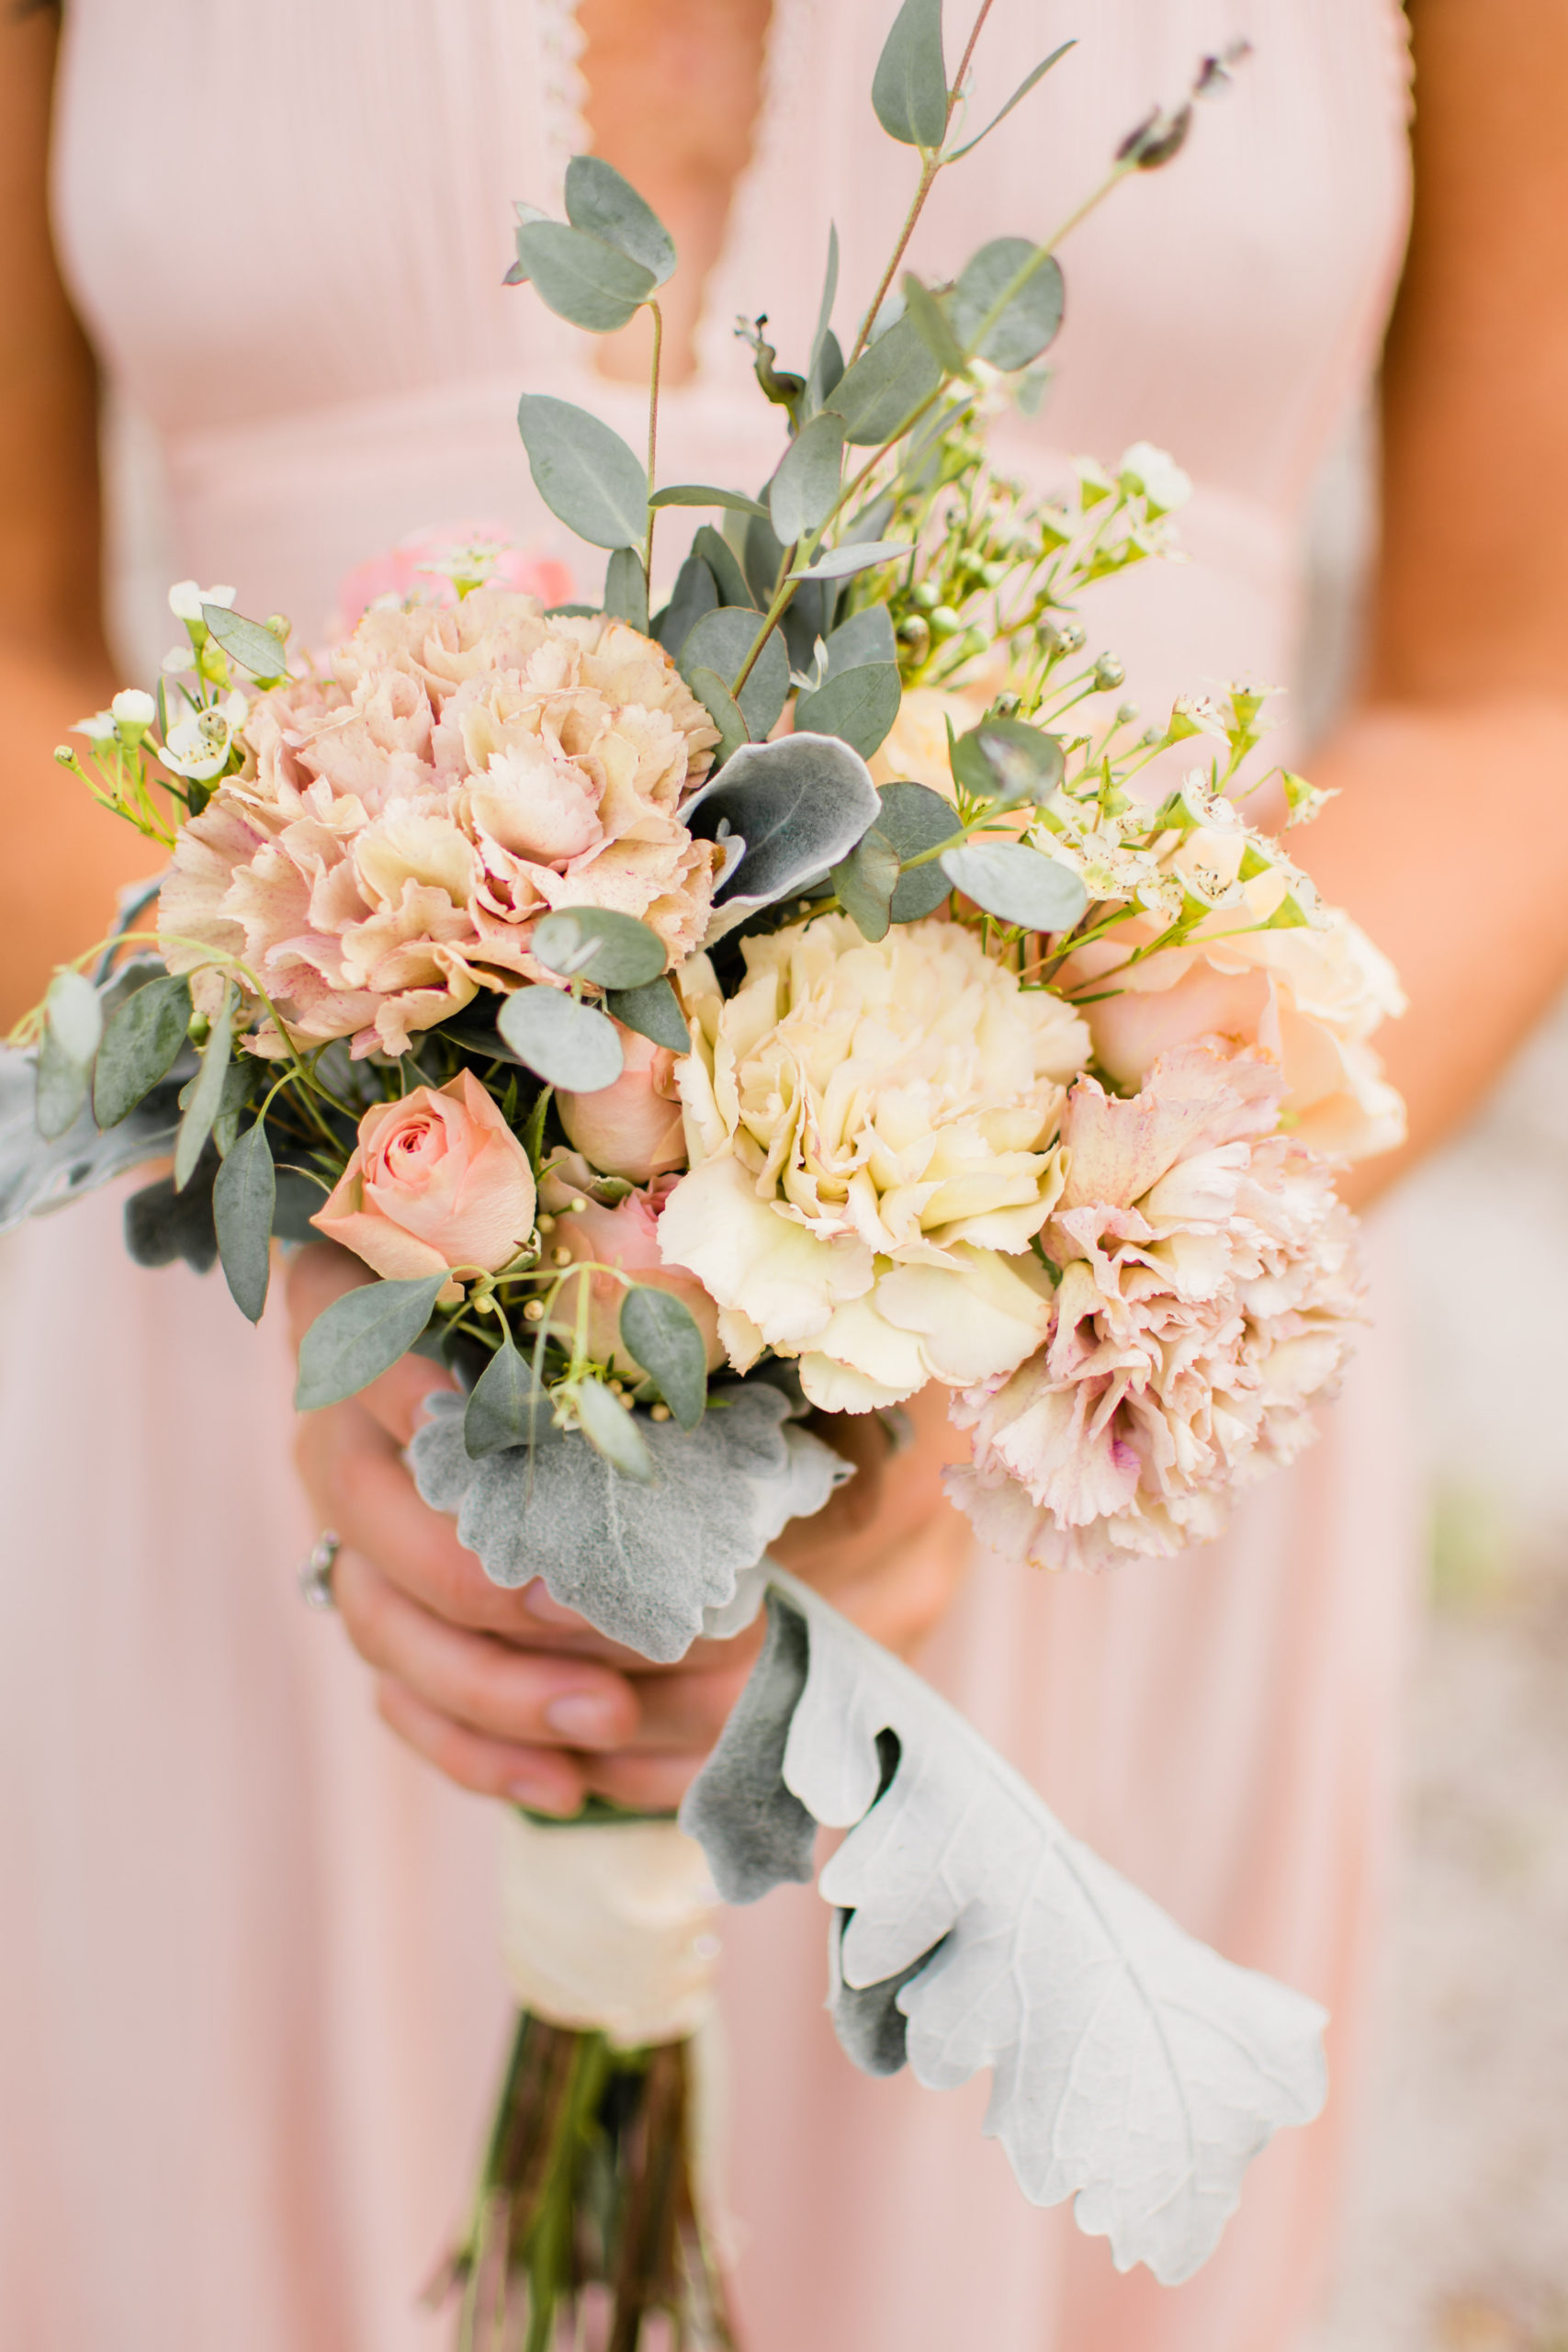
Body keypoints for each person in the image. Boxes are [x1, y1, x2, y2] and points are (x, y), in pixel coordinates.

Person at [2, 2, 1566, 2346]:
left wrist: (980, 1330)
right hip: (254, 1435)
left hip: (1063, 1475)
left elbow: (1509, 690)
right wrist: (407, 1242)